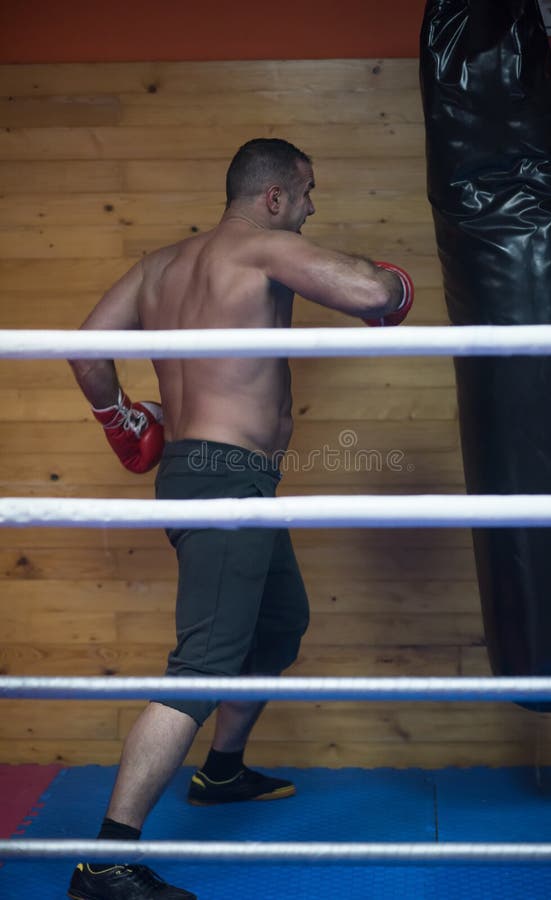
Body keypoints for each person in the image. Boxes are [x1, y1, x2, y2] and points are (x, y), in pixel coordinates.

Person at [67, 138, 413, 900]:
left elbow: (86, 349)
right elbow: (371, 296)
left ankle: (221, 772)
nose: (312, 206)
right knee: (200, 668)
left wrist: (119, 418)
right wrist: (393, 283)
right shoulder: (259, 248)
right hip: (225, 485)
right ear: (273, 198)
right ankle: (106, 862)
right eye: (308, 192)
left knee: (280, 623)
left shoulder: (159, 266)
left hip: (217, 480)